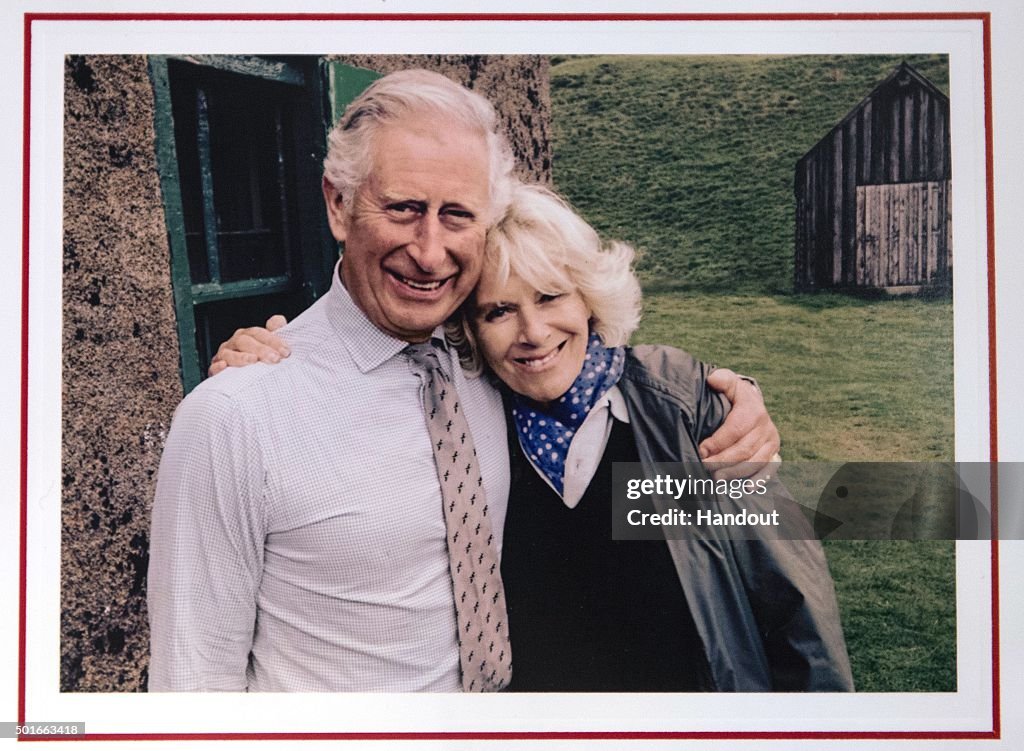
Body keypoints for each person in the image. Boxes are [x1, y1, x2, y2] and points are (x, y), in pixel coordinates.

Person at [149, 69, 780, 693]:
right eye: (402, 209)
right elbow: (193, 683)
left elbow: (756, 545)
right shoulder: (237, 414)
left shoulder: (491, 370)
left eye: (457, 215)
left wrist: (722, 403)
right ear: (338, 204)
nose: (429, 252)